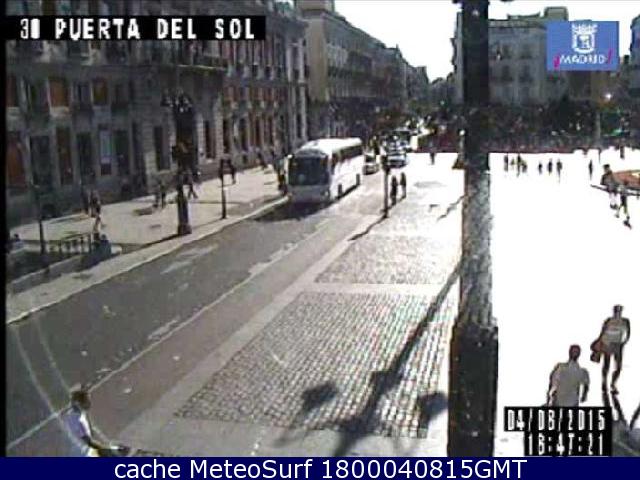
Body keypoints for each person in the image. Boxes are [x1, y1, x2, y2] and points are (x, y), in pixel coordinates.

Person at [64, 385, 125, 457]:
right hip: (84, 453)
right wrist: (108, 449)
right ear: (78, 403)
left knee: (119, 450)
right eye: (86, 400)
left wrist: (110, 444)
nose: (89, 402)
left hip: (91, 449)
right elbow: (87, 442)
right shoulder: (73, 418)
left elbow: (94, 431)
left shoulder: (83, 413)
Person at [591, 305, 631, 394]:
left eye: (619, 311)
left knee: (618, 367)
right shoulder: (608, 320)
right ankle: (604, 382)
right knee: (606, 365)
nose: (617, 313)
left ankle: (613, 383)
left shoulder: (625, 321)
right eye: (616, 311)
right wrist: (599, 344)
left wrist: (623, 343)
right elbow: (602, 332)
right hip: (607, 344)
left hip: (618, 345)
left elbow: (628, 333)